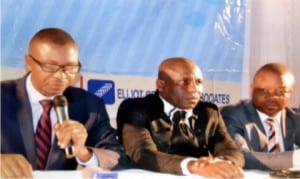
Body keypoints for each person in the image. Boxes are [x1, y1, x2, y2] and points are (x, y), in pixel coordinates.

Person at [0, 28, 131, 178]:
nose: (60, 77)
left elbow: (119, 160)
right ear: (29, 62)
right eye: (50, 67)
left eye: (70, 68)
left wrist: (84, 153)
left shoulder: (90, 106)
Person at [116, 57, 244, 178]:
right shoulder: (136, 108)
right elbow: (142, 155)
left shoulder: (209, 112)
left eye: (198, 82)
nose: (195, 89)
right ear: (161, 85)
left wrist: (222, 164)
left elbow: (231, 150)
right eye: (185, 82)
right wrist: (193, 166)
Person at [221, 62, 300, 170]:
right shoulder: (233, 116)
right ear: (251, 89)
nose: (272, 98)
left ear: (290, 93)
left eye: (281, 92)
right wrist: (294, 159)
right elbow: (239, 156)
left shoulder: (294, 118)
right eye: (263, 91)